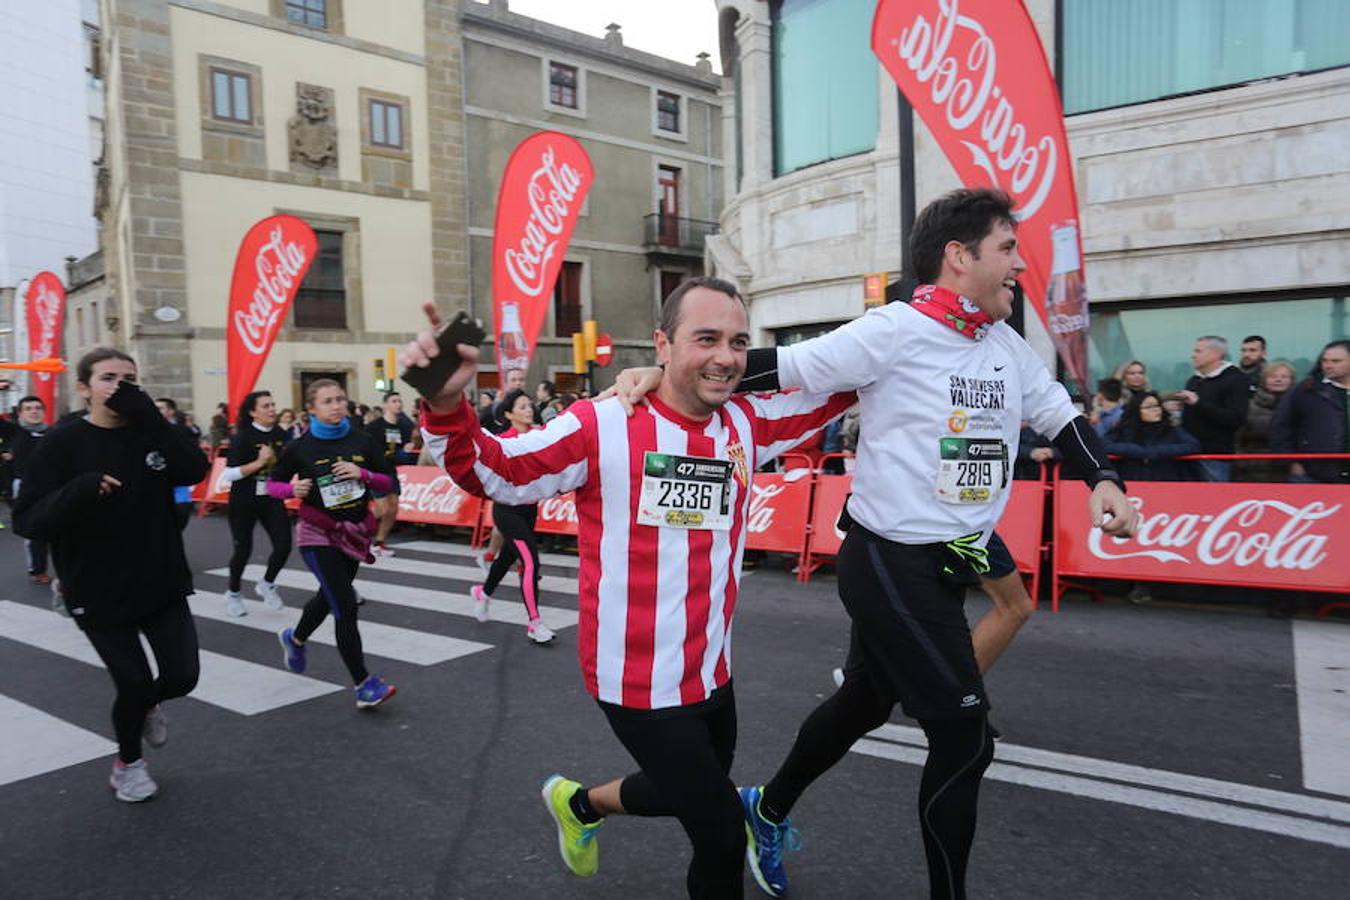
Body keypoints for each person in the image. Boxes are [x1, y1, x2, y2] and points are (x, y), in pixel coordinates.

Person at [612, 189, 1137, 900]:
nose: (1019, 265)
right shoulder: (895, 329)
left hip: (958, 551)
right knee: (965, 740)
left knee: (860, 704)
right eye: (1007, 249)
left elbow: (1057, 413)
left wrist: (1102, 476)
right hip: (891, 559)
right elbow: (782, 366)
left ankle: (764, 810)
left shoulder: (1005, 345)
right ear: (959, 257)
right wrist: (667, 373)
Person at [406, 277, 855, 900]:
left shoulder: (747, 422)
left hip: (711, 669)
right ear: (662, 345)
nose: (726, 356)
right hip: (636, 678)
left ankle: (580, 806)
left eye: (737, 341)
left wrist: (919, 337)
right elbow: (499, 473)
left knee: (685, 790)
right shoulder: (602, 423)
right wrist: (448, 404)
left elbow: (843, 383)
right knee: (721, 831)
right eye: (706, 338)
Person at [13, 348, 210, 802]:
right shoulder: (61, 444)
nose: (119, 387)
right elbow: (28, 520)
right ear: (84, 388)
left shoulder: (151, 433)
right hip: (96, 586)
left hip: (159, 578)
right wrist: (79, 491)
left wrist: (153, 420)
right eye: (107, 378)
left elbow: (195, 469)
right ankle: (129, 763)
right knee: (134, 682)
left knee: (182, 676)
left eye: (129, 378)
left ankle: (145, 707)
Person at [270, 378, 398, 708]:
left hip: (353, 533)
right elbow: (271, 485)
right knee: (345, 605)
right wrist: (290, 491)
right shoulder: (299, 448)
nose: (337, 405)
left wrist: (364, 475)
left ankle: (295, 638)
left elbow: (390, 481)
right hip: (317, 534)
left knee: (328, 599)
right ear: (311, 408)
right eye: (327, 401)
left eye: (340, 399)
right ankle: (363, 685)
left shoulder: (363, 440)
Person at [467, 388, 555, 644]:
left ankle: (483, 593)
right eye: (522, 406)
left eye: (530, 405)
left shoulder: (541, 436)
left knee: (507, 557)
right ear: (508, 414)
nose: (529, 410)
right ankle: (534, 623)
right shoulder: (502, 440)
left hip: (529, 508)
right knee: (529, 563)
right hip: (506, 510)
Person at [220, 390, 291, 616]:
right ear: (253, 412)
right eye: (266, 406)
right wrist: (260, 462)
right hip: (244, 500)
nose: (272, 409)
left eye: (273, 404)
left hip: (271, 497)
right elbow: (228, 474)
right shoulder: (242, 437)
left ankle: (267, 583)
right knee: (243, 550)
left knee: (284, 545)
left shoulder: (280, 433)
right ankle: (233, 593)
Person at [1271, 339, 1350, 484]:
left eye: (1336, 361)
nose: (1328, 365)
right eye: (1325, 361)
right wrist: (1291, 463)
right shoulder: (1305, 390)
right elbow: (1281, 427)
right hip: (1313, 475)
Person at [1176, 336, 1250, 482]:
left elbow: (1236, 418)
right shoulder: (1194, 380)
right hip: (1187, 453)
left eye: (1198, 351)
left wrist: (1198, 403)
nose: (1193, 355)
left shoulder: (1235, 379)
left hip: (1215, 456)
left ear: (1215, 354)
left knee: (1213, 500)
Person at [1102, 391, 1203, 481]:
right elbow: (1103, 444)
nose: (1156, 410)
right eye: (1149, 407)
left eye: (1157, 406)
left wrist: (1157, 451)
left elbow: (1193, 445)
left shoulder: (1171, 429)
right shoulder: (1123, 430)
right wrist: (1135, 450)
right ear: (1136, 410)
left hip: (1166, 482)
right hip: (1131, 482)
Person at [366, 391, 418, 557]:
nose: (398, 404)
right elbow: (366, 448)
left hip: (390, 470)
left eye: (399, 401)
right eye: (394, 401)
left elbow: (400, 451)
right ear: (385, 405)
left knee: (393, 509)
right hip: (375, 471)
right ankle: (358, 533)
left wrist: (406, 450)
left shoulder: (403, 426)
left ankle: (379, 542)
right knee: (381, 510)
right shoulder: (375, 426)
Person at [8, 395, 53, 583]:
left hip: (52, 486)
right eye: (28, 408)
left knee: (59, 528)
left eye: (37, 408)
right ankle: (37, 569)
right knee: (35, 530)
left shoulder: (53, 433)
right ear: (20, 413)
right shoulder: (14, 432)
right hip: (25, 487)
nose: (34, 411)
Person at [1235, 360, 1297, 482]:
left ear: (1292, 380)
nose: (1278, 380)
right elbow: (1237, 438)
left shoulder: (1300, 405)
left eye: (1284, 377)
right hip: (1251, 469)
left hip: (1290, 469)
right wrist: (1241, 462)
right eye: (1273, 376)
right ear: (1264, 380)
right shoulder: (1249, 406)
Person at [155, 397, 198, 530]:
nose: (156, 411)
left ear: (171, 411)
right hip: (156, 488)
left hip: (179, 490)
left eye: (160, 408)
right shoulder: (145, 430)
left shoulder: (182, 431)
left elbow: (193, 457)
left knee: (178, 526)